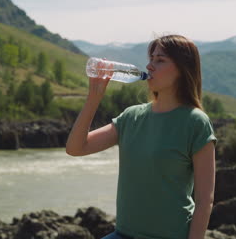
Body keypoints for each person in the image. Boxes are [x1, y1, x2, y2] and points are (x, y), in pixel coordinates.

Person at [66, 34, 217, 239]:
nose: (150, 66)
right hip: (123, 234)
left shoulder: (195, 122)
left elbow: (204, 201)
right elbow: (76, 148)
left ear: (183, 69)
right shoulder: (132, 117)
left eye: (160, 60)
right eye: (151, 59)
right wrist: (94, 96)